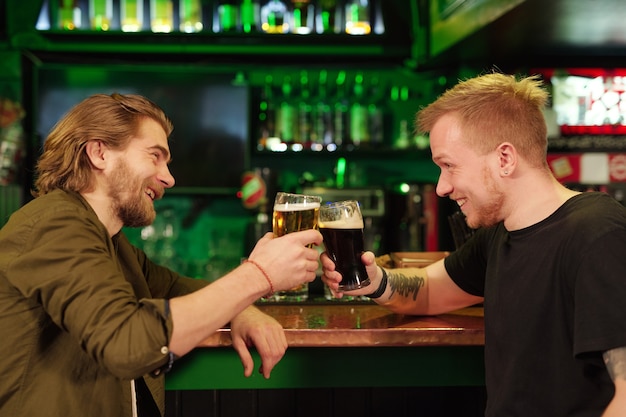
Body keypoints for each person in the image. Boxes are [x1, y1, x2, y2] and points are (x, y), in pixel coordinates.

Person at [322, 73, 626, 416]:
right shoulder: (501, 233)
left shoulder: (597, 233)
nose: (441, 188)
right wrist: (375, 281)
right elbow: (430, 289)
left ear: (505, 159)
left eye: (449, 166)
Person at [0, 93, 322, 417]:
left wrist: (242, 309)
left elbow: (175, 287)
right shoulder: (56, 225)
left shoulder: (109, 243)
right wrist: (258, 275)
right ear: (99, 153)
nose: (169, 177)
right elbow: (126, 343)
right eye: (155, 156)